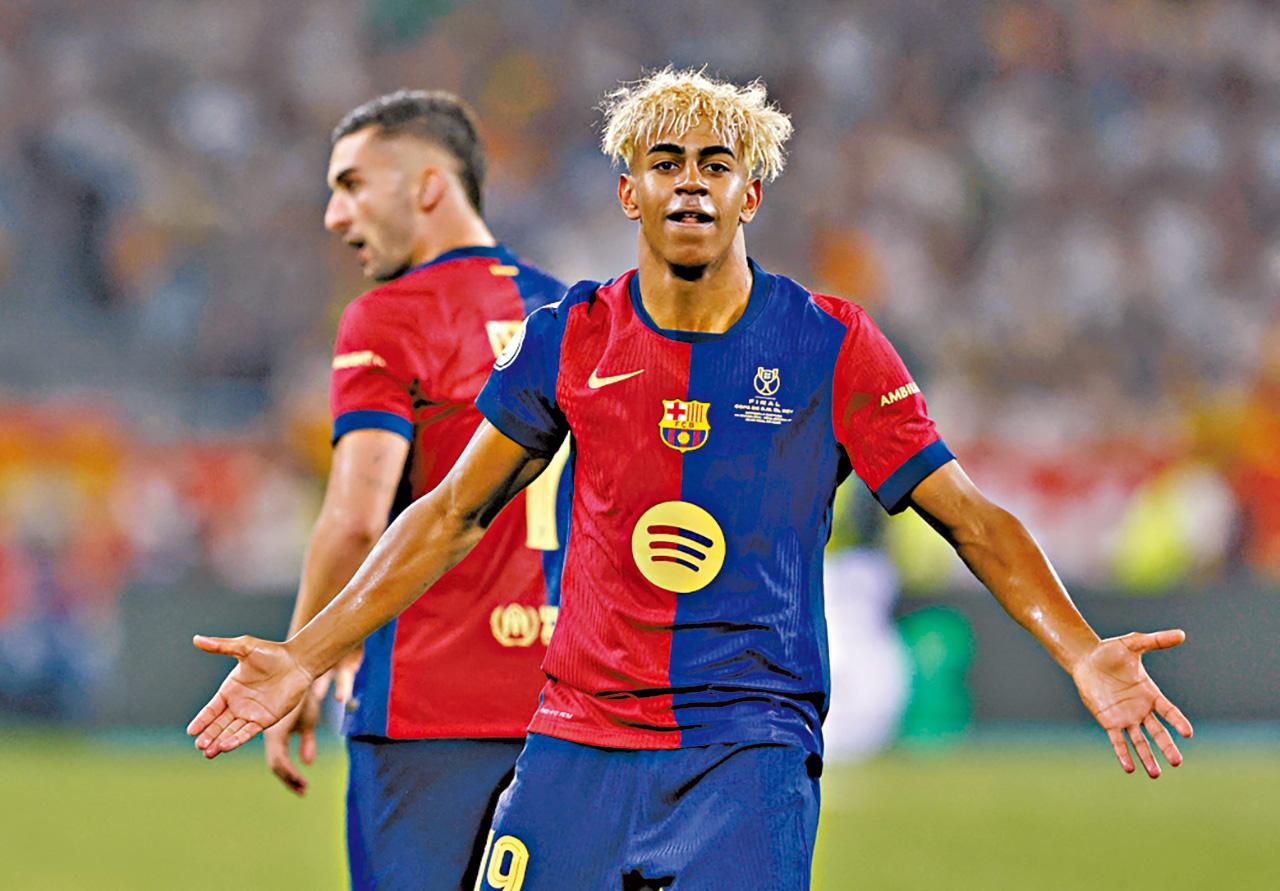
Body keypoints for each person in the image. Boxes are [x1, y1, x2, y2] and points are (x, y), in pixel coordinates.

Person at [188, 70, 1193, 890]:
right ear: (628, 192)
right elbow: (448, 513)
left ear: (750, 194)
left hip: (744, 748)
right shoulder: (570, 337)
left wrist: (1079, 650)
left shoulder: (830, 344)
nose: (690, 185)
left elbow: (969, 518)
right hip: (577, 741)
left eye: (717, 164)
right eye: (664, 163)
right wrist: (305, 653)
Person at [258, 89, 567, 890]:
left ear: (429, 186)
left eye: (352, 184)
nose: (334, 215)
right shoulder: (577, 315)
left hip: (429, 710)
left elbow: (356, 520)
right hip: (574, 714)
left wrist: (300, 660)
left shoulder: (389, 317)